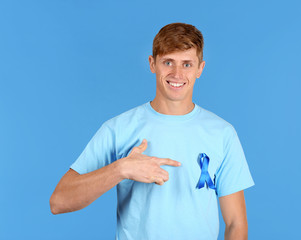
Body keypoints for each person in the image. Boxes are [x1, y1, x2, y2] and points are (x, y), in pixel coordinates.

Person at [50, 22, 255, 240]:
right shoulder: (118, 129)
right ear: (152, 63)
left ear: (200, 69)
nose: (177, 73)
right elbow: (59, 201)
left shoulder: (222, 133)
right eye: (168, 62)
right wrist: (121, 169)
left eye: (186, 64)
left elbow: (236, 223)